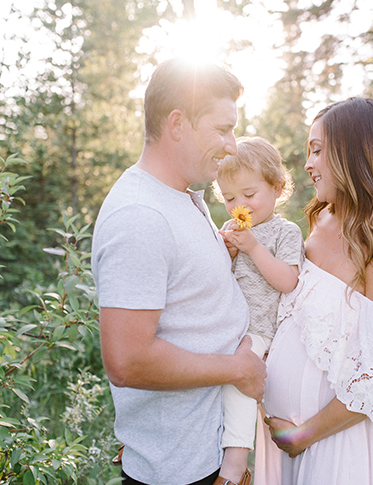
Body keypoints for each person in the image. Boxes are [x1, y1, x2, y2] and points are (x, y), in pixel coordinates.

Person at [254, 97, 373, 485]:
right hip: (278, 444)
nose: (308, 164)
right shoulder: (323, 220)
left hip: (339, 448)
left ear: (355, 154)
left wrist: (301, 435)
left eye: (318, 150)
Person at [91, 58, 266, 485]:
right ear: (177, 123)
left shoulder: (186, 195)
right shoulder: (140, 215)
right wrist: (237, 369)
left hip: (214, 453)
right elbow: (127, 361)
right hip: (180, 470)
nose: (232, 145)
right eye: (222, 129)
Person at [213, 137, 305, 485]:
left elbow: (287, 280)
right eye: (230, 198)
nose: (240, 206)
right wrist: (229, 255)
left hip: (259, 328)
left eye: (249, 195)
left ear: (277, 187)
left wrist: (251, 247)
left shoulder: (286, 231)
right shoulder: (228, 230)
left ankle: (235, 467)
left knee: (239, 380)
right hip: (224, 323)